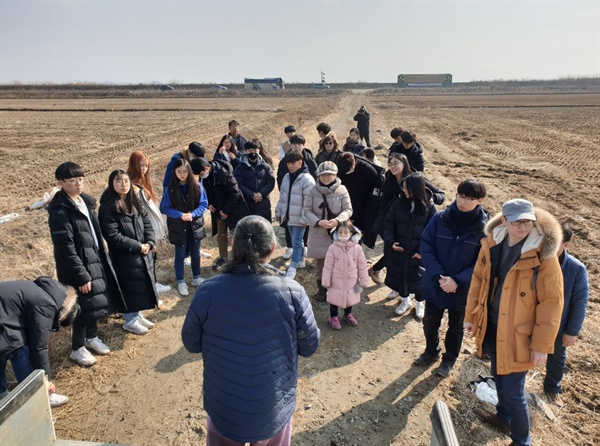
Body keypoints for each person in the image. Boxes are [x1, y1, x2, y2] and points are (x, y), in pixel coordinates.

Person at [181, 215, 320, 446]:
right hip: (273, 404)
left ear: (234, 245)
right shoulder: (293, 291)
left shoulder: (208, 290)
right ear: (273, 248)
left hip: (224, 404)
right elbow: (309, 346)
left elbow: (191, 343)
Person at [465, 199, 564, 446]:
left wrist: (541, 345)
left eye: (528, 222)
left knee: (513, 391)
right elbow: (478, 281)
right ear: (505, 221)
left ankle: (522, 441)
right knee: (499, 375)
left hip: (519, 333)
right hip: (493, 324)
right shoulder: (492, 244)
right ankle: (503, 416)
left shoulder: (543, 255)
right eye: (518, 221)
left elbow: (552, 303)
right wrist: (470, 317)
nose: (524, 226)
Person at [48, 162, 120, 367]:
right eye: (72, 181)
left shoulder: (85, 202)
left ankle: (92, 336)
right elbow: (65, 248)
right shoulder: (60, 211)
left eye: (80, 179)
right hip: (77, 266)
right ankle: (77, 348)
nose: (78, 184)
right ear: (61, 183)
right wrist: (81, 274)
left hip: (94, 258)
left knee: (94, 302)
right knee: (81, 306)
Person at [415, 179, 489, 378]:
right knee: (430, 322)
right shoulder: (440, 219)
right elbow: (426, 245)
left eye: (469, 198)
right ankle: (431, 351)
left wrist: (457, 281)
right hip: (435, 283)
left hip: (462, 290)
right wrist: (440, 276)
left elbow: (483, 263)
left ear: (480, 200)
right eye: (460, 196)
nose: (462, 201)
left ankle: (449, 359)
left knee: (455, 328)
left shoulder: (486, 229)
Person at [371, 154, 445, 296]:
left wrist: (425, 198)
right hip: (394, 221)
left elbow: (440, 195)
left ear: (404, 163)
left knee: (408, 257)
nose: (393, 166)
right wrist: (399, 203)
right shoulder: (388, 181)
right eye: (390, 163)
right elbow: (383, 203)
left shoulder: (415, 179)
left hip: (414, 221)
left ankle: (404, 289)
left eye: (396, 163)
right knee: (393, 254)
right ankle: (396, 286)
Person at [0, 277, 78, 407]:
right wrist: (45, 379)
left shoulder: (39, 290)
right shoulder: (46, 304)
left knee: (4, 349)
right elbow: (39, 347)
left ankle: (2, 396)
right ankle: (37, 396)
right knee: (20, 348)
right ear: (62, 315)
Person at [99, 170, 159, 336]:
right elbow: (113, 236)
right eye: (119, 181)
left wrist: (150, 242)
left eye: (126, 181)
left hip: (142, 252)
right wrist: (138, 246)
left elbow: (147, 224)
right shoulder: (107, 207)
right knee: (127, 288)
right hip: (124, 256)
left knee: (139, 286)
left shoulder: (134, 202)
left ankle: (137, 315)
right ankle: (129, 320)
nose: (123, 184)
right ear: (112, 184)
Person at [543, 223, 589, 401]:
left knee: (556, 356)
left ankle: (552, 388)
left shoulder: (576, 269)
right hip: (531, 319)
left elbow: (579, 303)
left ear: (566, 245)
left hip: (558, 323)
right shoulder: (534, 259)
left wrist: (572, 332)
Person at [384, 173, 437, 319]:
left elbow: (434, 233)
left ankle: (420, 303)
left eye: (408, 189)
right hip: (400, 250)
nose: (405, 191)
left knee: (418, 279)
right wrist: (390, 241)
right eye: (404, 189)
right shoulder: (399, 203)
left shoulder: (429, 208)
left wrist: (422, 251)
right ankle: (405, 300)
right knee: (402, 278)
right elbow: (389, 224)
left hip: (418, 253)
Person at [303, 161, 353, 301]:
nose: (326, 177)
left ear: (335, 175)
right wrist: (318, 222)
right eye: (323, 175)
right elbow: (306, 210)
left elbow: (348, 209)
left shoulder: (342, 190)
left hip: (338, 232)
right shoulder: (313, 190)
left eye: (329, 175)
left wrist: (337, 220)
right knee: (321, 263)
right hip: (319, 231)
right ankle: (321, 290)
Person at [160, 159, 208, 296]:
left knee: (196, 253)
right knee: (180, 255)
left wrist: (193, 214)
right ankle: (181, 281)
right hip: (178, 226)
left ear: (189, 172)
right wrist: (181, 215)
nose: (182, 174)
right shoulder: (170, 188)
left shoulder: (198, 186)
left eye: (184, 172)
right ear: (174, 172)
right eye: (179, 172)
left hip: (195, 225)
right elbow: (165, 208)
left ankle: (196, 277)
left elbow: (203, 204)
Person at [127, 151, 171, 295]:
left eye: (146, 166)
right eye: (141, 165)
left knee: (152, 261)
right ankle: (151, 288)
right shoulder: (132, 187)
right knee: (147, 262)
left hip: (150, 232)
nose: (144, 169)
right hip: (144, 233)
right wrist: (148, 237)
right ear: (133, 165)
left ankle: (153, 284)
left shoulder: (143, 183)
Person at [193, 157, 248, 271]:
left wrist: (226, 211)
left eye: (201, 173)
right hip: (218, 210)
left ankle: (239, 258)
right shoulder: (204, 177)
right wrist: (209, 204)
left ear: (207, 168)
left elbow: (235, 193)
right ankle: (223, 257)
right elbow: (206, 192)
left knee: (236, 235)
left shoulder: (224, 173)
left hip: (234, 209)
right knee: (221, 234)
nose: (200, 176)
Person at [276, 134, 317, 261]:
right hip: (289, 199)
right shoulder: (285, 162)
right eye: (294, 144)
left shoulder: (309, 159)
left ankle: (302, 251)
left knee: (301, 231)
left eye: (299, 144)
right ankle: (291, 248)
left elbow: (315, 177)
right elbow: (280, 178)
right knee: (289, 227)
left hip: (302, 201)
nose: (297, 146)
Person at [322, 222, 369, 330]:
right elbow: (328, 266)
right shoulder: (333, 248)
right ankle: (333, 317)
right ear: (336, 234)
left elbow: (362, 265)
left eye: (345, 232)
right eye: (340, 233)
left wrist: (363, 280)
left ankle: (348, 314)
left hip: (351, 279)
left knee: (349, 297)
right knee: (334, 299)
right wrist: (326, 280)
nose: (342, 235)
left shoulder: (357, 248)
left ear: (351, 233)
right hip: (336, 280)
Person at [336, 152, 383, 248]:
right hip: (347, 201)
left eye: (349, 171)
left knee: (358, 231)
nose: (347, 174)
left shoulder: (368, 170)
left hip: (364, 204)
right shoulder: (342, 166)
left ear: (354, 164)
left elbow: (376, 188)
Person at [234, 140, 275, 222]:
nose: (252, 152)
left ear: (259, 150)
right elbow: (238, 184)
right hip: (247, 205)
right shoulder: (240, 168)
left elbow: (270, 183)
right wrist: (251, 195)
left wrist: (261, 194)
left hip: (263, 204)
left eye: (255, 150)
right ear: (246, 151)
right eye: (250, 150)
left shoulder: (265, 167)